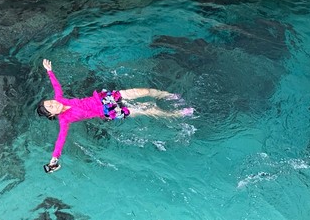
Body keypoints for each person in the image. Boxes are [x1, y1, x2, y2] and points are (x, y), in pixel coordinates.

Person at [37, 59, 193, 173]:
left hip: (104, 98)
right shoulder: (65, 120)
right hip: (108, 112)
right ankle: (176, 113)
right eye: (50, 107)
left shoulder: (60, 99)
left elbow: (56, 86)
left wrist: (49, 71)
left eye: (50, 102)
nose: (53, 104)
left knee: (143, 91)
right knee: (148, 109)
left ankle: (168, 95)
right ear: (51, 114)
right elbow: (60, 140)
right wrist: (54, 158)